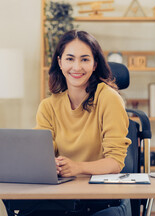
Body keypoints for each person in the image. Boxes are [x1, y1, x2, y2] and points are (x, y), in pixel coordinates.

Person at [31, 30, 132, 216]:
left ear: (95, 64)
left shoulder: (109, 98)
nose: (77, 67)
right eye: (70, 59)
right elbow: (41, 154)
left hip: (103, 201)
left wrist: (77, 167)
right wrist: (49, 164)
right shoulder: (48, 106)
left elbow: (115, 162)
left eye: (85, 59)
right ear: (60, 62)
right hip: (62, 198)